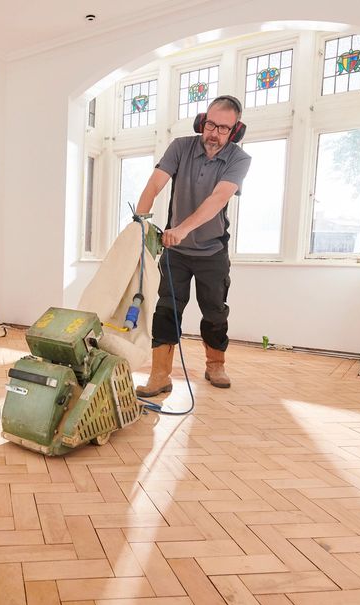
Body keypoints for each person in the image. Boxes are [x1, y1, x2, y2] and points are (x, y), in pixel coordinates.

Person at [133, 95, 252, 396]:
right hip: (176, 254)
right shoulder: (181, 147)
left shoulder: (239, 159)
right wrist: (140, 222)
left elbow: (217, 200)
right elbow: (155, 184)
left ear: (235, 130)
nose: (214, 133)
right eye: (210, 124)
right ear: (202, 121)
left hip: (212, 251)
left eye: (223, 128)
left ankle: (215, 365)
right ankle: (160, 374)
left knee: (214, 311)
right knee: (166, 310)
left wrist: (183, 228)